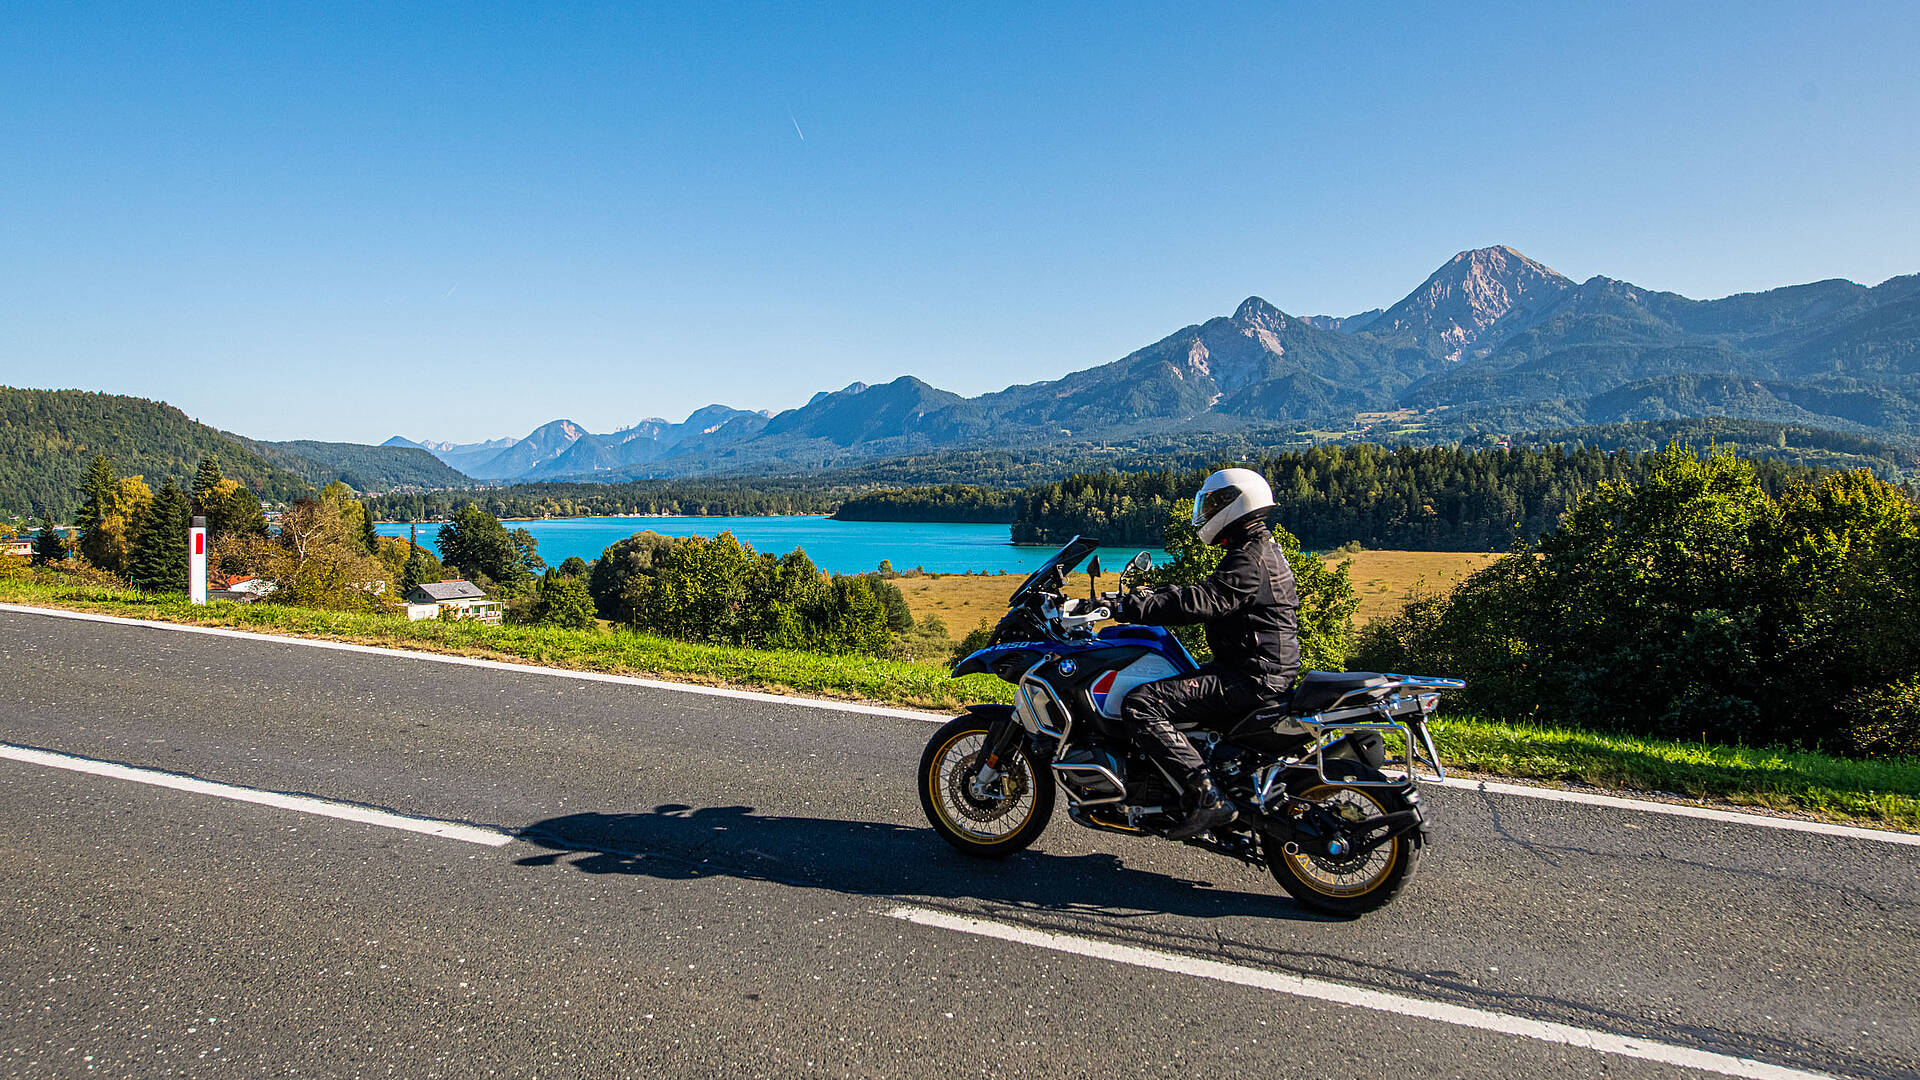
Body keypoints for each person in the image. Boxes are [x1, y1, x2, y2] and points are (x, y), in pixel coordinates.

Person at [1111, 468, 1301, 840]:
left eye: (1214, 503)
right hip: (1259, 669)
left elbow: (1206, 601)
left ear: (1237, 502)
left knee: (1141, 703)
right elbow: (1214, 591)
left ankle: (1206, 796)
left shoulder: (1250, 556)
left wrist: (1135, 608)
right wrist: (1159, 594)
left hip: (1250, 677)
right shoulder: (1256, 548)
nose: (1207, 512)